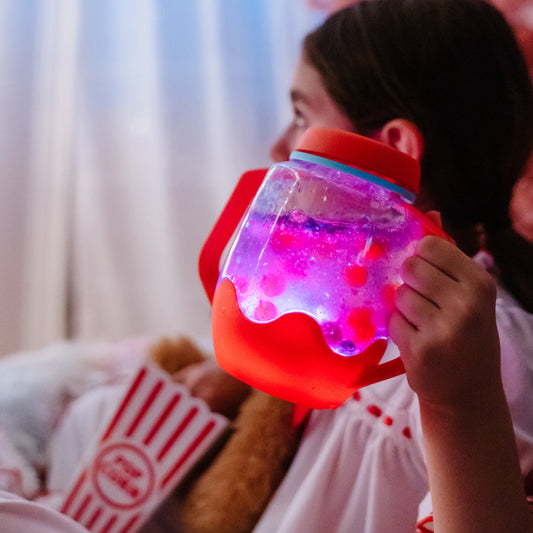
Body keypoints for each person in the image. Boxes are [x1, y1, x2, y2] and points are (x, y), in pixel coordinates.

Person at [46, 1, 533, 532]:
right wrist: (240, 381)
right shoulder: (368, 294)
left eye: (302, 117)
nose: (280, 146)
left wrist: (460, 404)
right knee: (90, 417)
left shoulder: (484, 355)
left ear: (392, 147)